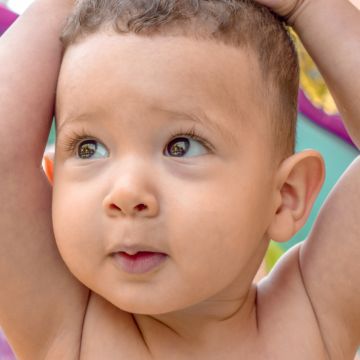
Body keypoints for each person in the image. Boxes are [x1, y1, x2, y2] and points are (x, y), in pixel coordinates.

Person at [0, 0, 359, 358]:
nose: (126, 192)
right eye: (89, 148)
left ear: (284, 195)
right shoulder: (67, 329)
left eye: (181, 147)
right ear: (55, 184)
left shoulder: (308, 322)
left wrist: (307, 7)